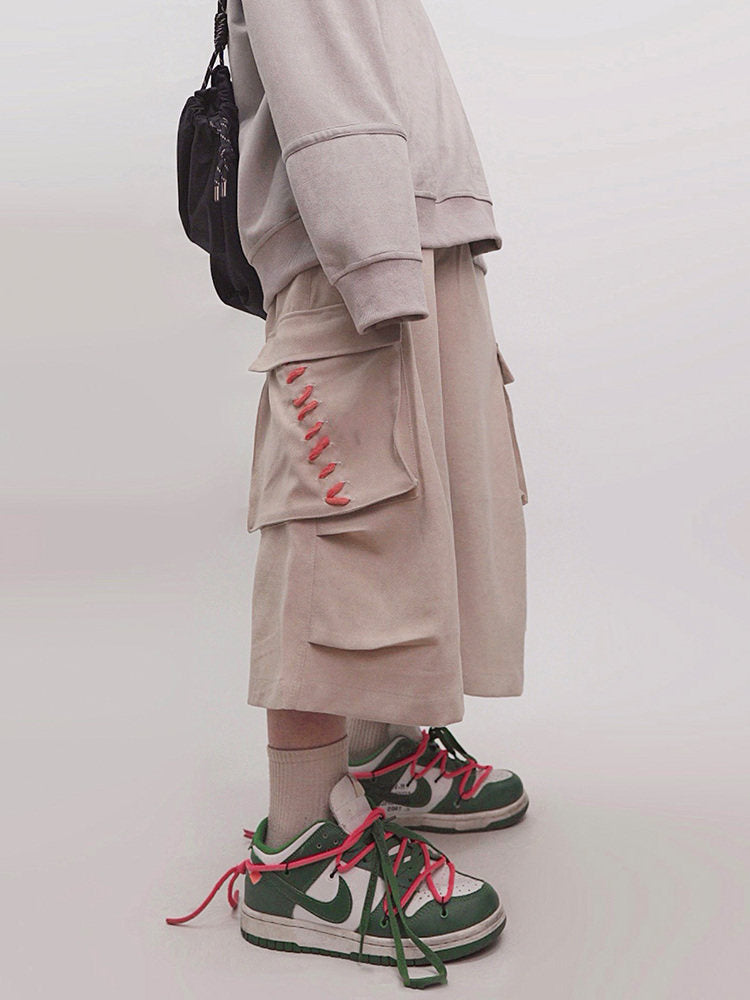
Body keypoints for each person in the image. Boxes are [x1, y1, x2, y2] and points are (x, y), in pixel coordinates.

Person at [167, 1, 530, 988]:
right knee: (341, 530)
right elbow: (319, 63)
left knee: (414, 516)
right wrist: (375, 258)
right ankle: (299, 851)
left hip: (404, 230)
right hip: (354, 250)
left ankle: (378, 751)